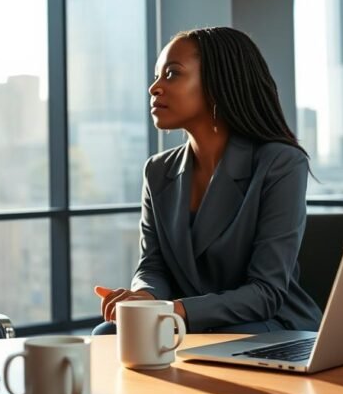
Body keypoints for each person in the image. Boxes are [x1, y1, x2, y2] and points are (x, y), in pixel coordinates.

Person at [93, 26, 323, 335]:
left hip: (269, 325)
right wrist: (145, 297)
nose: (154, 87)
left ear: (217, 85)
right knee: (108, 333)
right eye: (157, 75)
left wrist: (173, 311)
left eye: (172, 74)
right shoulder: (157, 171)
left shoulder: (280, 163)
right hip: (188, 323)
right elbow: (153, 266)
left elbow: (266, 293)